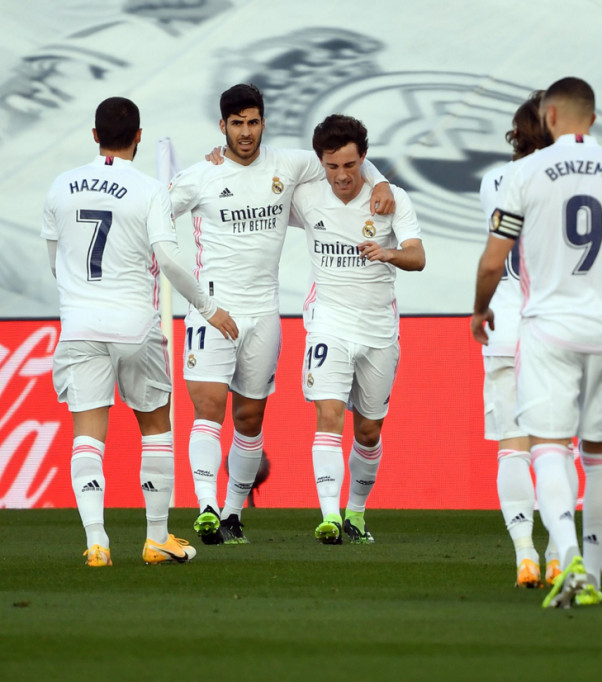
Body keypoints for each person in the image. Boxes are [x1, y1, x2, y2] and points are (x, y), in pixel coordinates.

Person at [472, 76, 602, 608]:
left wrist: (479, 309)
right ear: (595, 118)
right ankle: (589, 566)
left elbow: (496, 259)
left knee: (546, 446)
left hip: (548, 329)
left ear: (551, 117)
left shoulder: (522, 173)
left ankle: (567, 559)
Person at [168, 84, 394, 545]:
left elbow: (345, 157)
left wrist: (382, 179)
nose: (245, 132)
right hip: (212, 310)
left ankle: (232, 515)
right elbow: (155, 216)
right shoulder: (199, 176)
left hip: (263, 313)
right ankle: (207, 506)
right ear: (222, 127)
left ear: (263, 122)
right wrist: (196, 298)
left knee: (250, 420)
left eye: (253, 122)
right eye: (236, 124)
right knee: (209, 410)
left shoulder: (290, 164)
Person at [41, 96, 237, 566]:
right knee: (155, 428)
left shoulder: (61, 187)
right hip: (134, 325)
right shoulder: (149, 189)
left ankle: (96, 542)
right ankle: (156, 538)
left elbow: (55, 261)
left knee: (87, 434)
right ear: (139, 136)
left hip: (80, 324)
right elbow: (168, 259)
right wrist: (208, 307)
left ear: (94, 136)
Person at [289, 114, 425, 545]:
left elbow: (418, 257)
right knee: (328, 416)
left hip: (378, 329)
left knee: (369, 431)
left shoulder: (390, 198)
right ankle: (329, 516)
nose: (342, 176)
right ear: (321, 163)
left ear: (364, 159)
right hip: (328, 321)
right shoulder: (306, 196)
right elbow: (258, 181)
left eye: (350, 165)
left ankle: (356, 513)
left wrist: (387, 253)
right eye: (332, 167)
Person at [478, 91, 568, 589]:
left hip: (506, 325)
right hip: (559, 327)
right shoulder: (573, 175)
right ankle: (559, 552)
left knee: (511, 449)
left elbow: (496, 253)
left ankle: (524, 554)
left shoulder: (493, 179)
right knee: (555, 448)